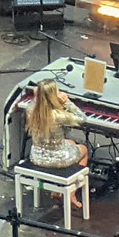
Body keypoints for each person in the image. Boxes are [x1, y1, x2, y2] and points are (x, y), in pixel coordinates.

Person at [25, 78, 88, 207]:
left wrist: (39, 93)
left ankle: (57, 190)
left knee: (70, 142)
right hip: (58, 159)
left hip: (36, 156)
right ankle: (71, 193)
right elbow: (82, 118)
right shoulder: (57, 115)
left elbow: (37, 99)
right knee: (84, 149)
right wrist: (67, 102)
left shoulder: (31, 110)